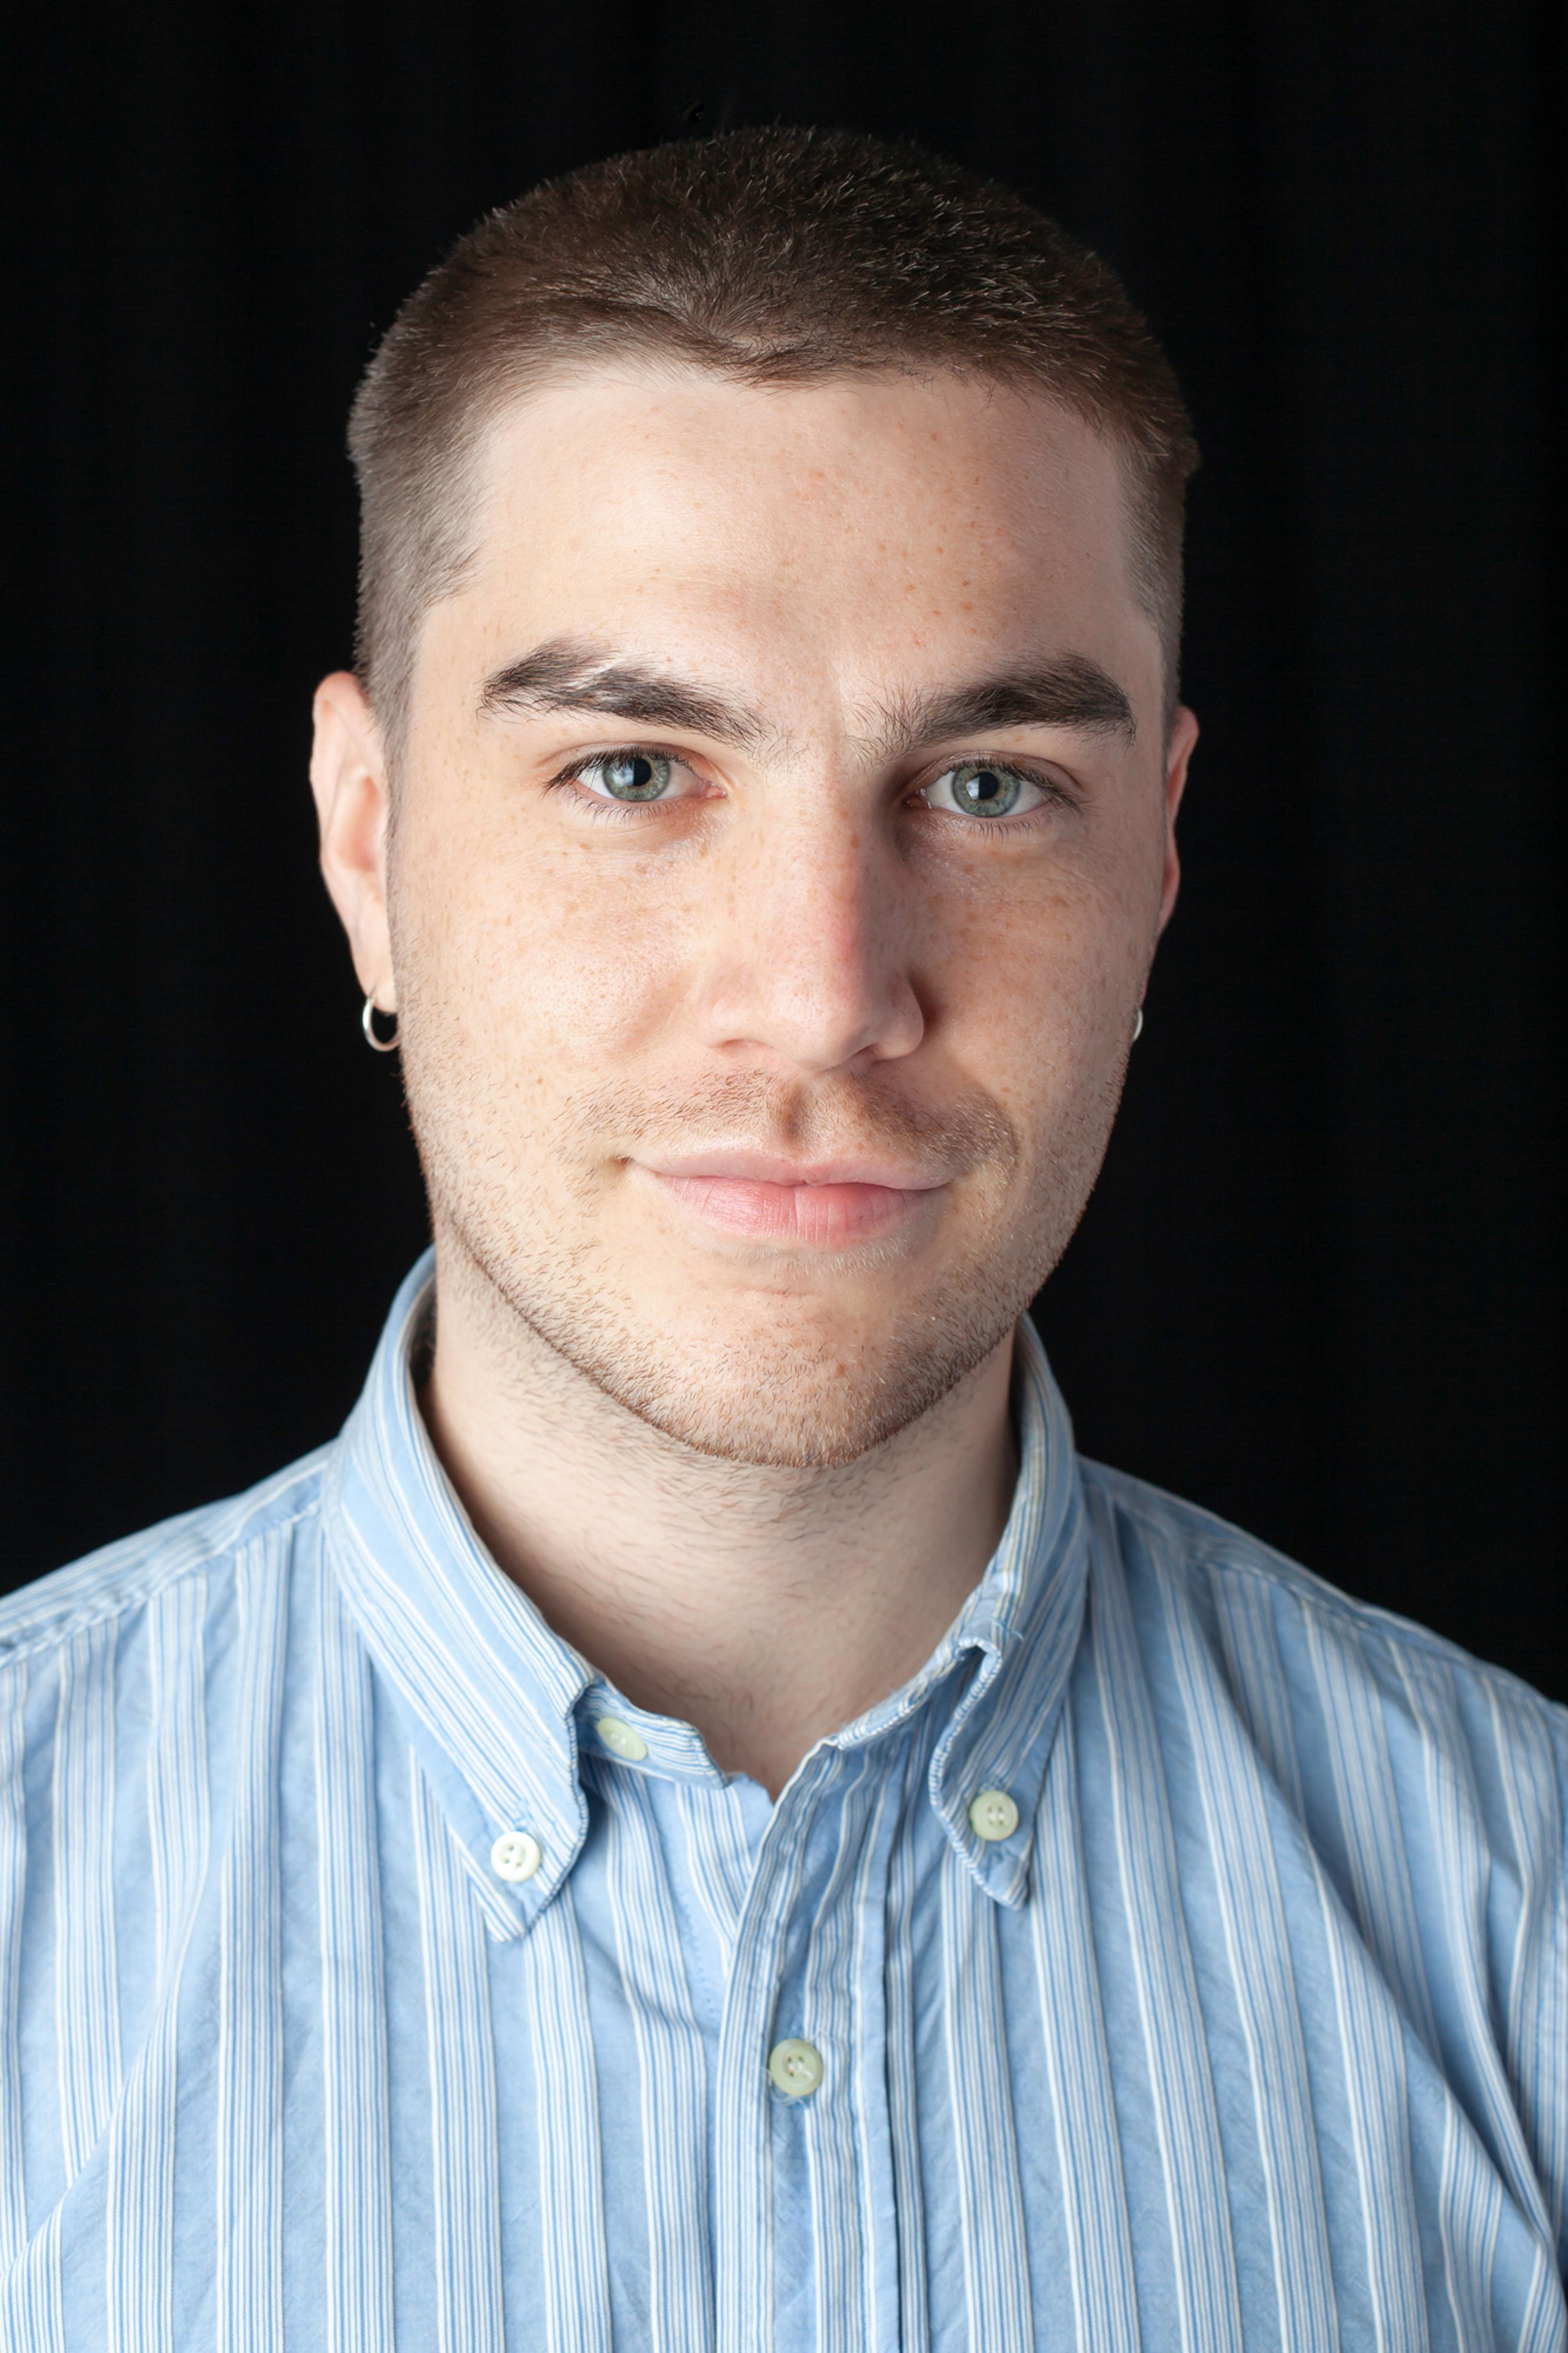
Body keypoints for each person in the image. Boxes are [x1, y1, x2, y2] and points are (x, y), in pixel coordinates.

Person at [1, 126, 1562, 2350]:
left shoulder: (1523, 1923)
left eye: (991, 784)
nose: (830, 988)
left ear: (1161, 869)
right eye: (637, 770)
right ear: (368, 845)